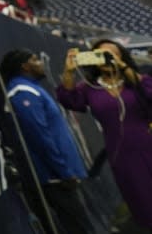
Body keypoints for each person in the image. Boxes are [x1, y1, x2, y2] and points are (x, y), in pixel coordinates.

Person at [0, 49, 97, 234]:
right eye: (35, 59)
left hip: (58, 175)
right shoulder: (22, 92)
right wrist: (63, 171)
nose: (41, 63)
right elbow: (39, 136)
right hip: (53, 177)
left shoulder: (32, 88)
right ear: (25, 66)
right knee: (78, 227)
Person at [58, 40, 152, 230]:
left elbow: (150, 93)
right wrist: (68, 71)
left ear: (121, 56)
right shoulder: (90, 88)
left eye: (112, 53)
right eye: (101, 54)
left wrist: (123, 67)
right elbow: (69, 100)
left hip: (148, 142)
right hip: (122, 156)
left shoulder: (137, 81)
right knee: (143, 201)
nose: (107, 58)